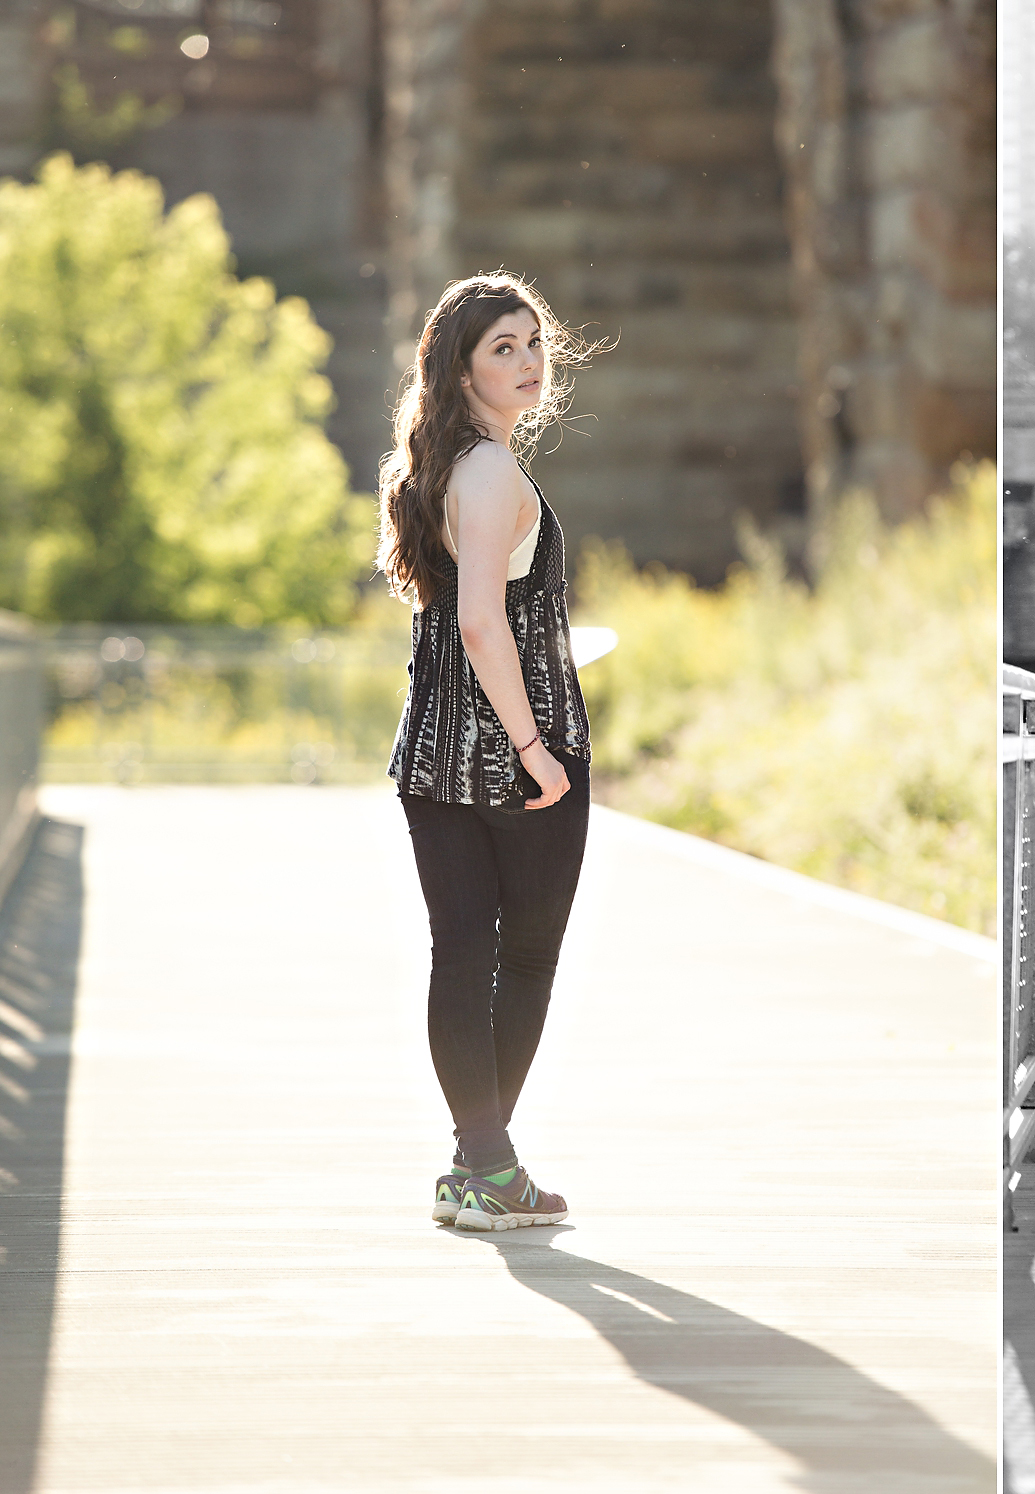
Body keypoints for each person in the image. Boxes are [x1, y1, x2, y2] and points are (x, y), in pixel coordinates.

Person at [377, 272, 602, 1228]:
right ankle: (486, 1166)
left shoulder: (432, 468)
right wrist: (535, 749)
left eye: (530, 344)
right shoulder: (492, 474)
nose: (524, 364)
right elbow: (480, 624)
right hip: (516, 749)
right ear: (460, 369)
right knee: (527, 959)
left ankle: (482, 1166)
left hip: (430, 753)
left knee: (461, 955)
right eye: (500, 349)